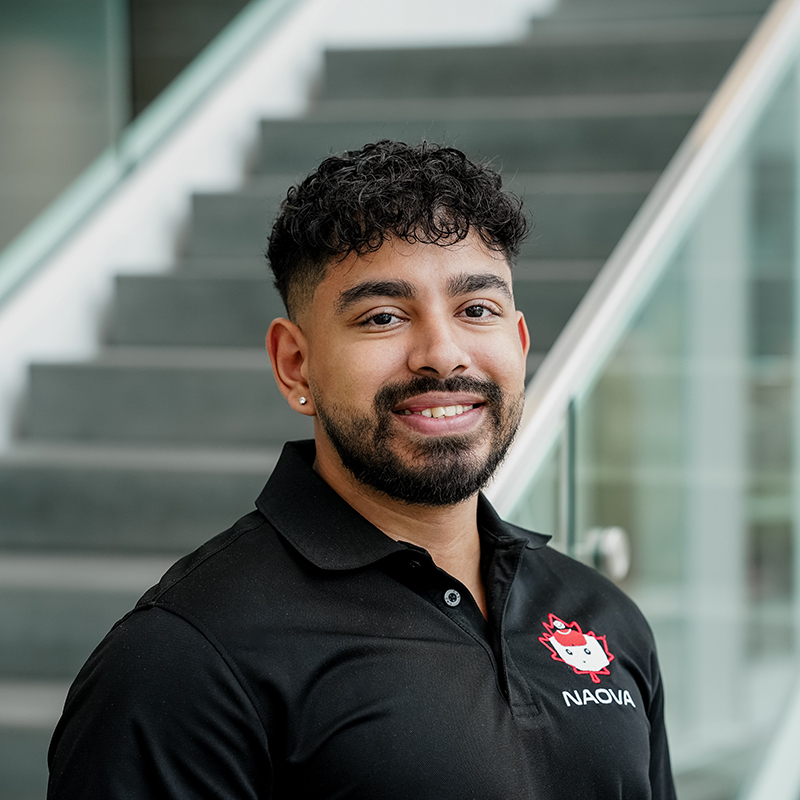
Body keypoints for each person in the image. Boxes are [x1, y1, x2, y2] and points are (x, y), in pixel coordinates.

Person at [48, 140, 676, 799]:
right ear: (296, 365)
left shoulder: (600, 616)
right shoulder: (186, 659)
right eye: (383, 316)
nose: (443, 355)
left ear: (519, 343)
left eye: (476, 310)